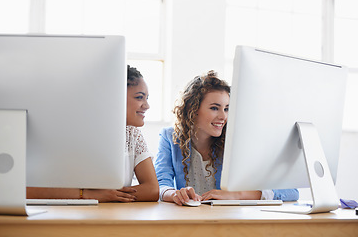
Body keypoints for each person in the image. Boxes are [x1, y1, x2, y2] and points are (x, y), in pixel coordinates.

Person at [154, 70, 299, 205]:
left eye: (227, 109)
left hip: (228, 221)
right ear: (193, 109)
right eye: (214, 108)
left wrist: (236, 195)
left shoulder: (236, 141)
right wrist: (175, 194)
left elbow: (291, 191)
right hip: (189, 219)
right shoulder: (170, 137)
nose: (223, 117)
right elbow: (161, 184)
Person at [27, 65, 159, 202]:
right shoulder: (72, 132)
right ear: (114, 97)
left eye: (147, 98)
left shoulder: (132, 135)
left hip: (113, 216)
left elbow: (152, 190)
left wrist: (112, 195)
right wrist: (88, 195)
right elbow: (28, 190)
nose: (146, 105)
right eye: (139, 97)